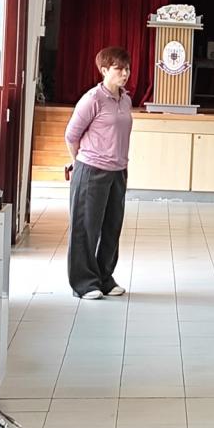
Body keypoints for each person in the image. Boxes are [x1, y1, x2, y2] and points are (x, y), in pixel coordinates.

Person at [64, 46, 134, 300]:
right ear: (104, 70)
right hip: (91, 170)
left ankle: (104, 278)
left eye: (127, 69)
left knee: (111, 228)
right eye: (119, 69)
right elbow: (71, 136)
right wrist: (79, 163)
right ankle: (84, 283)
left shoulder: (125, 99)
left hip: (118, 171)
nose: (125, 73)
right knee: (86, 228)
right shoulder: (92, 99)